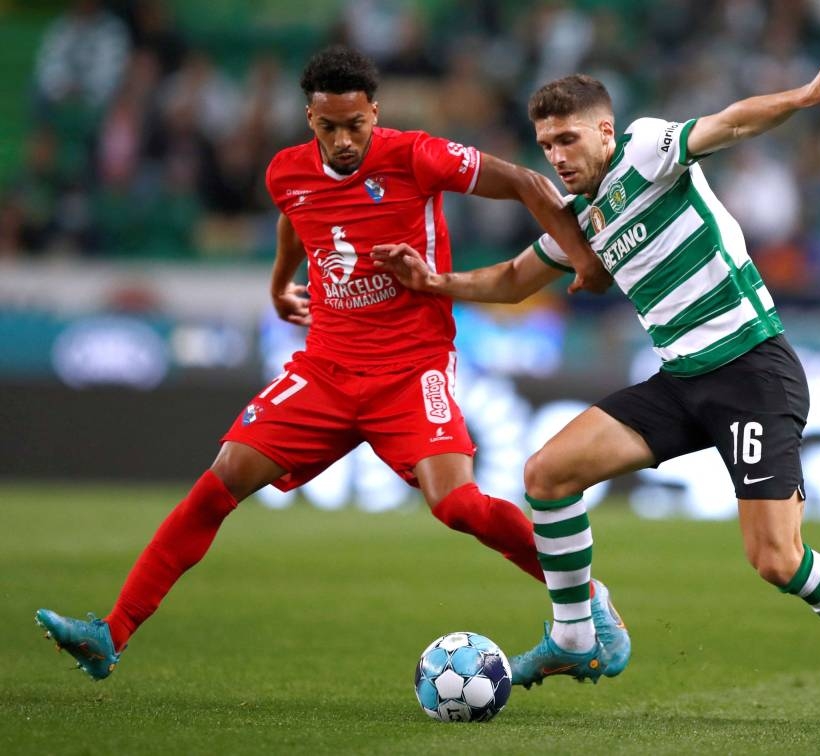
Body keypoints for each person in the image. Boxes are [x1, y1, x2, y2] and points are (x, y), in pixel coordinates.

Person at [373, 49, 820, 729]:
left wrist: (805, 94)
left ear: (605, 132)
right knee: (547, 474)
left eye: (568, 138)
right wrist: (436, 283)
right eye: (546, 143)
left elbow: (728, 124)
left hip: (751, 369)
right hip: (681, 380)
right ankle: (580, 635)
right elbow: (517, 278)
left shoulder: (646, 149)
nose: (556, 154)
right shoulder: (577, 214)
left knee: (776, 560)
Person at [35, 46, 630, 683]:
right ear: (309, 119)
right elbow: (300, 216)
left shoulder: (416, 155)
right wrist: (278, 283)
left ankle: (587, 598)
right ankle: (111, 633)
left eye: (356, 125)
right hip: (326, 369)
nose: (344, 141)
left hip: (411, 367)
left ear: (375, 111)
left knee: (457, 505)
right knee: (218, 483)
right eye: (329, 128)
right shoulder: (285, 171)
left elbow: (526, 183)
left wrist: (584, 259)